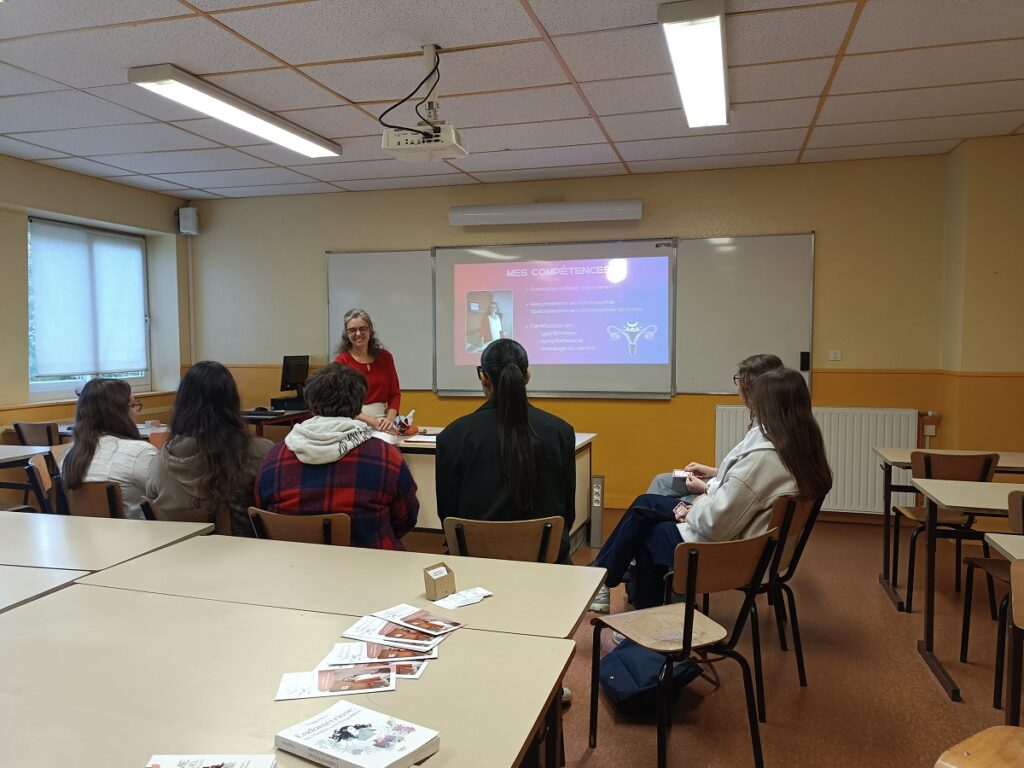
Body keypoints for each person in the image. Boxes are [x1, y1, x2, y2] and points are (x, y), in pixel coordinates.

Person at [592, 368, 832, 610]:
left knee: (647, 531)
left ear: (769, 406)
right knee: (646, 507)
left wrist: (695, 504)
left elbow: (716, 524)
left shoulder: (764, 458)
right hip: (754, 545)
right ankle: (609, 583)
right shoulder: (803, 447)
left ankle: (624, 603)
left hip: (730, 550)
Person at [436, 338, 576, 564]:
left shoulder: (453, 436)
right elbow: (567, 513)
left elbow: (447, 515)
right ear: (527, 377)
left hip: (474, 561)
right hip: (547, 563)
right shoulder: (560, 432)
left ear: (484, 377)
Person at [254, 363, 418, 550]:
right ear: (358, 406)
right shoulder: (386, 456)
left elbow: (261, 507)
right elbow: (407, 516)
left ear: (311, 404)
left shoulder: (275, 457)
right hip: (370, 568)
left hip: (293, 567)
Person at [147, 361, 273, 535]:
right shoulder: (259, 453)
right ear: (232, 402)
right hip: (243, 553)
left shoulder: (158, 463)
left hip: (177, 554)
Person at [646, 353, 784, 498]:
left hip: (719, 497)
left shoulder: (765, 438)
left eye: (740, 381)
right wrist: (713, 471)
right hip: (721, 486)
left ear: (752, 388)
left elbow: (736, 493)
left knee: (651, 502)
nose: (738, 388)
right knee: (660, 482)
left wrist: (705, 488)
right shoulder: (768, 425)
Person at [61, 378, 157, 520]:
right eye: (133, 405)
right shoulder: (140, 452)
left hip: (84, 538)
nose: (137, 412)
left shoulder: (68, 457)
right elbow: (168, 498)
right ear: (118, 413)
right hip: (142, 537)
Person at [333, 308, 400, 433]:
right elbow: (342, 404)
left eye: (363, 329)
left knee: (389, 446)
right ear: (346, 334)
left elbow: (394, 394)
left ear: (370, 330)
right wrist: (373, 422)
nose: (358, 334)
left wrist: (389, 420)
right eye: (352, 330)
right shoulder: (341, 362)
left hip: (383, 421)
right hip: (351, 423)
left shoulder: (385, 357)